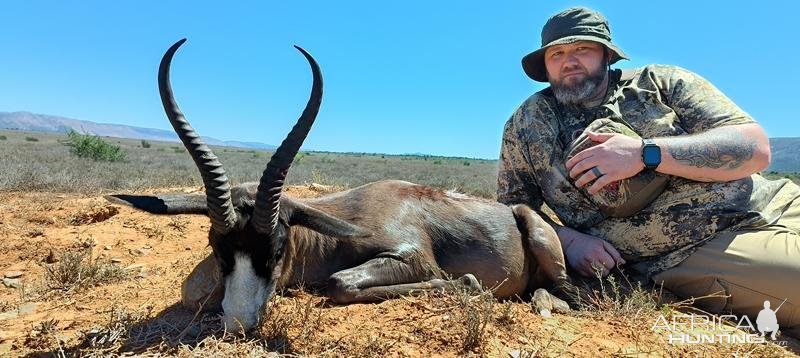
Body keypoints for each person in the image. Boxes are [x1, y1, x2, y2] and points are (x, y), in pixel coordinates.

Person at [498, 6, 800, 337]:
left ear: (606, 54)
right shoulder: (527, 124)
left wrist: (645, 153)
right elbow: (510, 211)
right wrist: (566, 239)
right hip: (699, 249)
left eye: (582, 48)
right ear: (545, 64)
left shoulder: (660, 82)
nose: (569, 61)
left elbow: (755, 149)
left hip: (779, 200)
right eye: (557, 53)